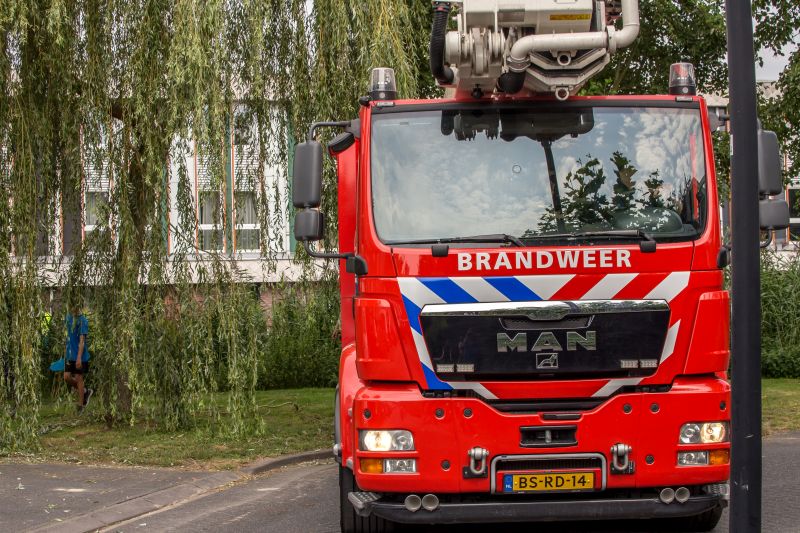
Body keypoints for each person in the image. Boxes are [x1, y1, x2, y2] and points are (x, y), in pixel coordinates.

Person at [64, 303, 92, 413]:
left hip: (80, 355)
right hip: (70, 354)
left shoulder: (82, 321)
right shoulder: (67, 318)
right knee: (66, 376)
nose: (70, 307)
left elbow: (82, 341)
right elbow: (68, 336)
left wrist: (79, 358)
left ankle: (80, 406)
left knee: (78, 378)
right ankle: (85, 391)